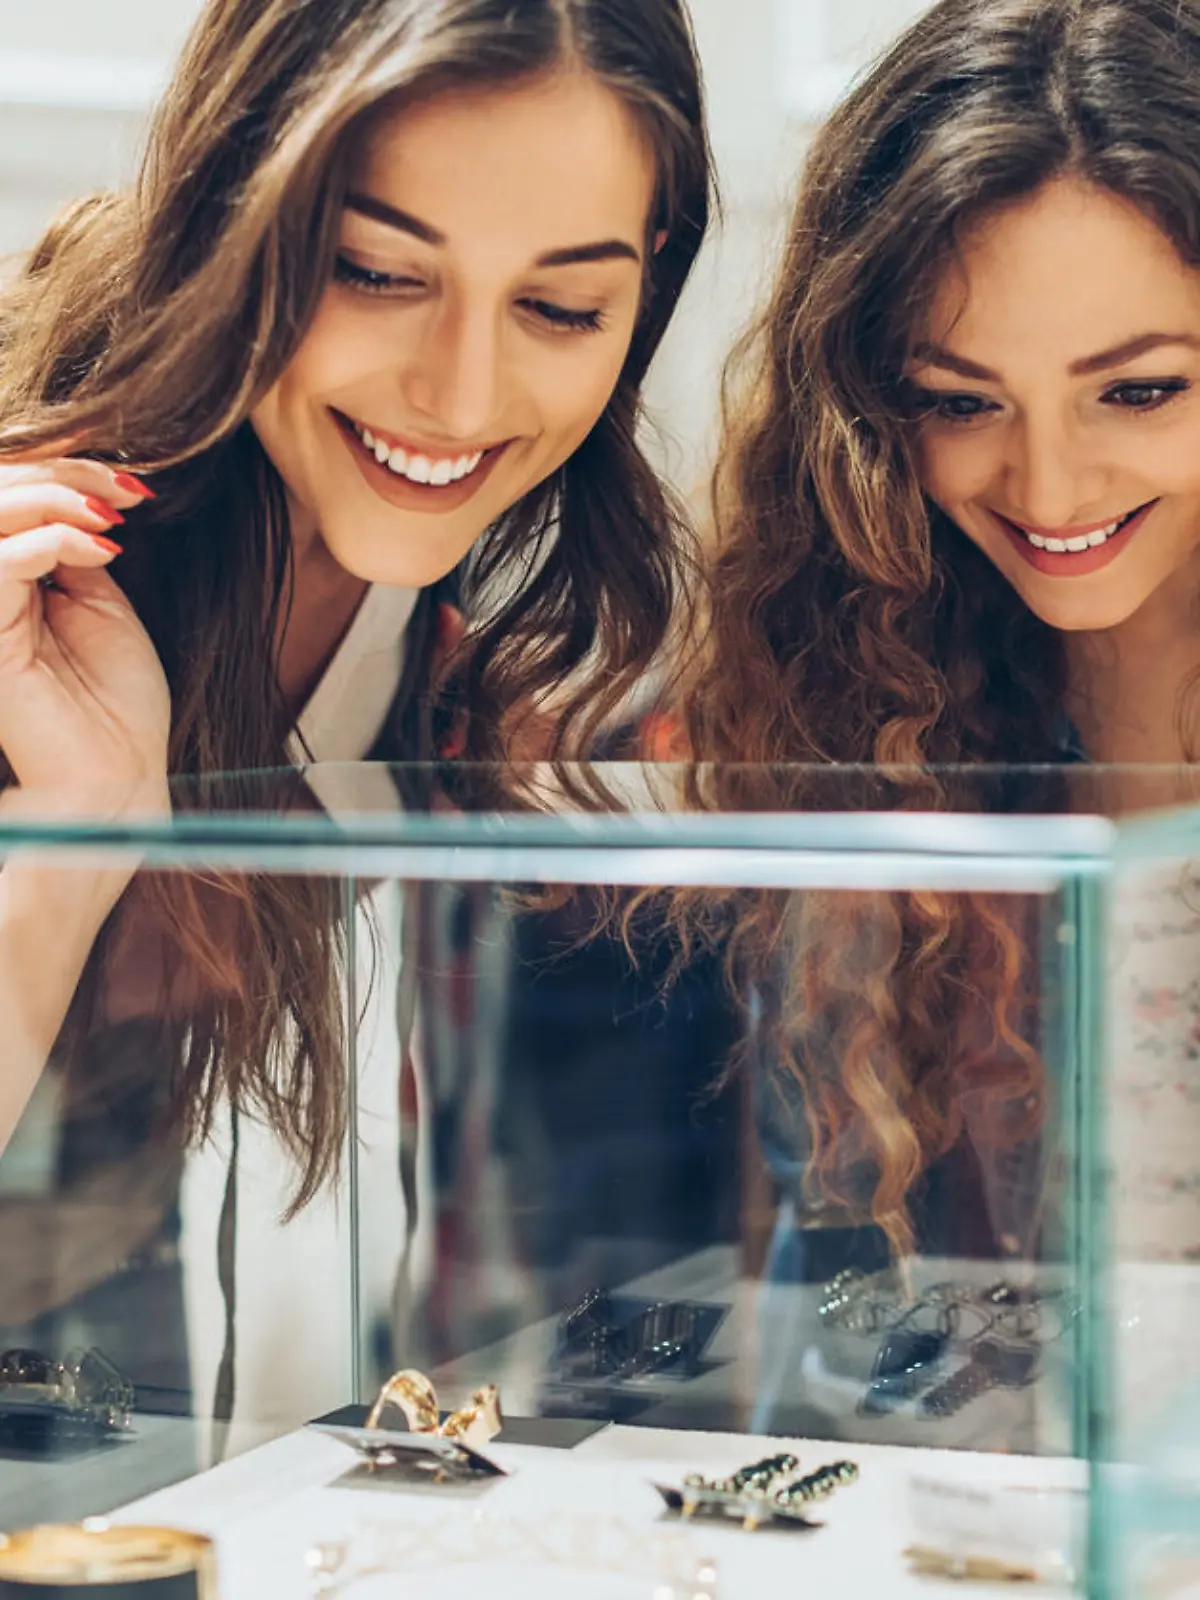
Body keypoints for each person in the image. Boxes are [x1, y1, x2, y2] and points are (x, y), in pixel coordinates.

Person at [0, 0, 713, 1447]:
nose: (460, 397)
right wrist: (72, 842)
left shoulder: (489, 631)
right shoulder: (36, 577)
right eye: (376, 273)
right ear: (233, 219)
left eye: (563, 308)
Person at [673, 0, 1200, 1445]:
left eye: (1140, 390)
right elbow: (835, 1301)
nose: (1049, 485)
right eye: (960, 400)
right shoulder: (862, 682)